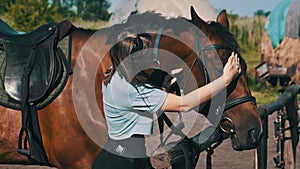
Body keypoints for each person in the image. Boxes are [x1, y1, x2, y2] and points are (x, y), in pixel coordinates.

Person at [92, 31, 240, 169]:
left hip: (117, 153)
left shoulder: (115, 73)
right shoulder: (133, 91)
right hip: (123, 162)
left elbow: (138, 102)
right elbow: (185, 104)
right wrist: (225, 80)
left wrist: (162, 88)